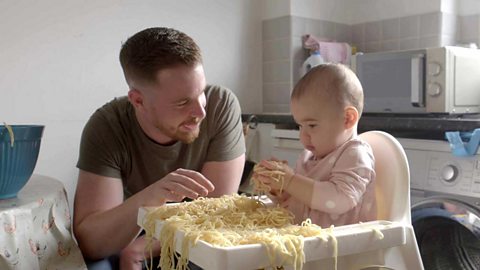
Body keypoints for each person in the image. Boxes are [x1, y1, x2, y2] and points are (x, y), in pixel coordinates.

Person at [73, 27, 246, 270]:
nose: (200, 112)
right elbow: (92, 243)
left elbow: (216, 214)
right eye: (183, 102)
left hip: (194, 232)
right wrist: (151, 197)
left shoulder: (221, 105)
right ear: (138, 100)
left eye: (201, 93)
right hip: (130, 228)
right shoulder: (107, 125)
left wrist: (145, 246)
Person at [253, 63, 376, 227]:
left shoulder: (355, 153)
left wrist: (290, 181)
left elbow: (339, 200)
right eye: (300, 126)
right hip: (305, 243)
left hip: (342, 248)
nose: (303, 135)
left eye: (311, 125)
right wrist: (279, 188)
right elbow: (300, 200)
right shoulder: (308, 157)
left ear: (348, 118)